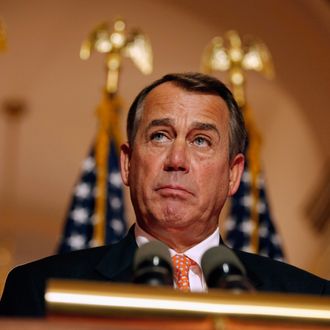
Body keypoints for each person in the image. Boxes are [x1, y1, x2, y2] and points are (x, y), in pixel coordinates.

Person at [0, 73, 329, 317]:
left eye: (201, 141)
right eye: (159, 136)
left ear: (233, 174)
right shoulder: (41, 289)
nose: (176, 160)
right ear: (127, 164)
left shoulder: (309, 301)